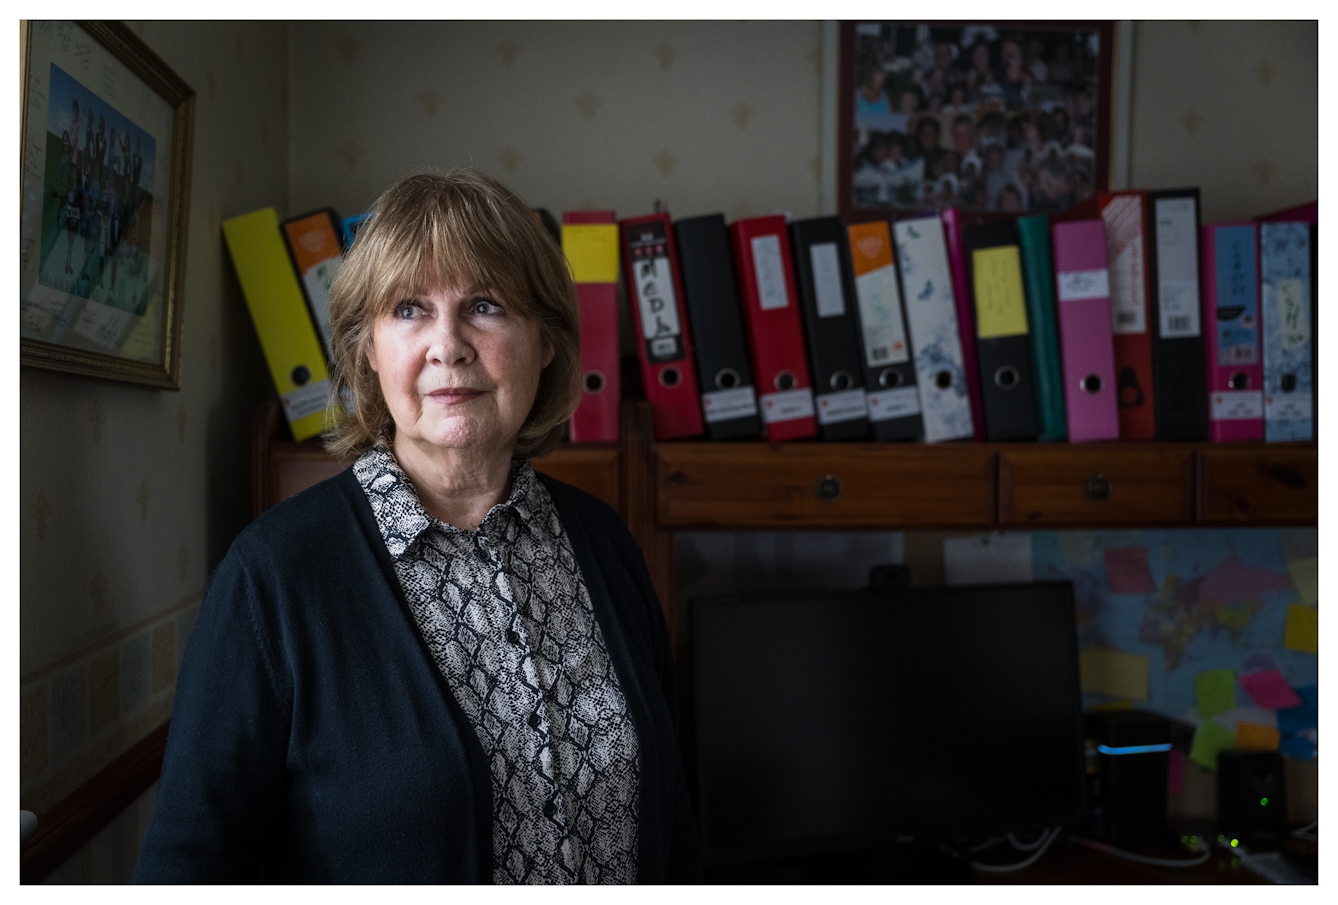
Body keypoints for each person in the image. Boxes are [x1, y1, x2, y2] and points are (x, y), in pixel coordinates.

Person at [133, 168, 702, 884]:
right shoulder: (273, 576)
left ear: (546, 342)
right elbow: (187, 870)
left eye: (486, 306)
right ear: (368, 350)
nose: (448, 345)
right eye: (408, 309)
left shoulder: (605, 541)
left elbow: (673, 819)